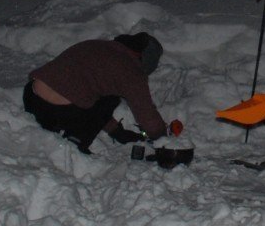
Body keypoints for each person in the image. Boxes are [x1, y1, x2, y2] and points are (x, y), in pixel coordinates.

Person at [24, 32, 169, 154]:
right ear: (145, 60)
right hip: (60, 112)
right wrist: (162, 138)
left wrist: (115, 131)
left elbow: (88, 92)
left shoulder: (97, 46)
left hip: (32, 98)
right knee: (110, 100)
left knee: (100, 97)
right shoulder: (131, 70)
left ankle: (51, 128)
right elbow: (145, 112)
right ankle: (76, 141)